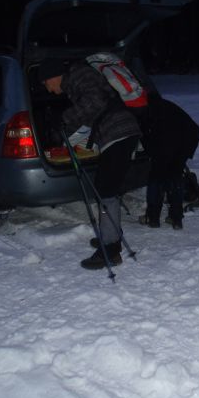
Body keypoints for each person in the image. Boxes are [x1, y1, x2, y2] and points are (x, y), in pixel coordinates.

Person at [38, 58, 141, 270]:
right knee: (106, 188)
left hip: (118, 133)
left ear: (52, 76)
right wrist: (64, 136)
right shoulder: (74, 83)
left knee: (106, 191)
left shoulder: (79, 75)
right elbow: (89, 114)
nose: (46, 88)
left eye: (45, 82)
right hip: (118, 133)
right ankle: (110, 234)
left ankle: (110, 249)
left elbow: (95, 102)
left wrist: (65, 119)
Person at [138, 95, 199, 229]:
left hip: (170, 141)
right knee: (175, 177)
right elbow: (195, 129)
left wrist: (150, 150)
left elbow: (144, 134)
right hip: (186, 139)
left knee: (157, 178)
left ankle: (153, 217)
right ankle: (176, 218)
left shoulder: (143, 110)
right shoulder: (163, 105)